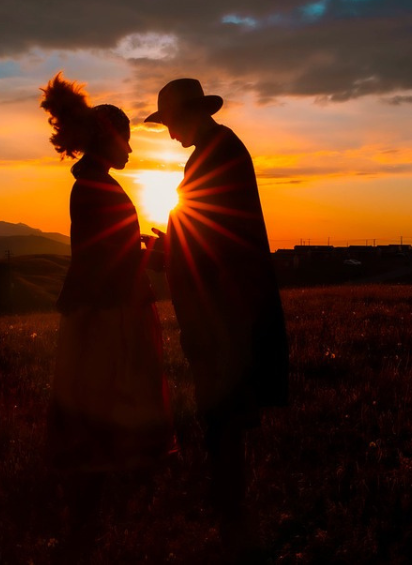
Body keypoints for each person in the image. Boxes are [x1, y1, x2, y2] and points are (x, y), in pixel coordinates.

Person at [144, 78, 290, 552]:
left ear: (188, 116)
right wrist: (167, 245)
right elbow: (202, 227)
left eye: (169, 123)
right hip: (228, 306)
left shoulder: (215, 154)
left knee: (222, 412)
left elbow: (205, 232)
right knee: (224, 413)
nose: (168, 134)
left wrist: (164, 250)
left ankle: (231, 517)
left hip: (224, 311)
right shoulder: (219, 149)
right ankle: (230, 511)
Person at [39, 73, 177, 560]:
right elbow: (108, 260)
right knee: (101, 414)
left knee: (93, 413)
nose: (132, 151)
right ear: (109, 139)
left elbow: (103, 250)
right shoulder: (99, 188)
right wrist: (156, 252)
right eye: (129, 141)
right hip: (107, 318)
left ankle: (89, 522)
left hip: (97, 314)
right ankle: (88, 524)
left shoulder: (95, 184)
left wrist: (138, 246)